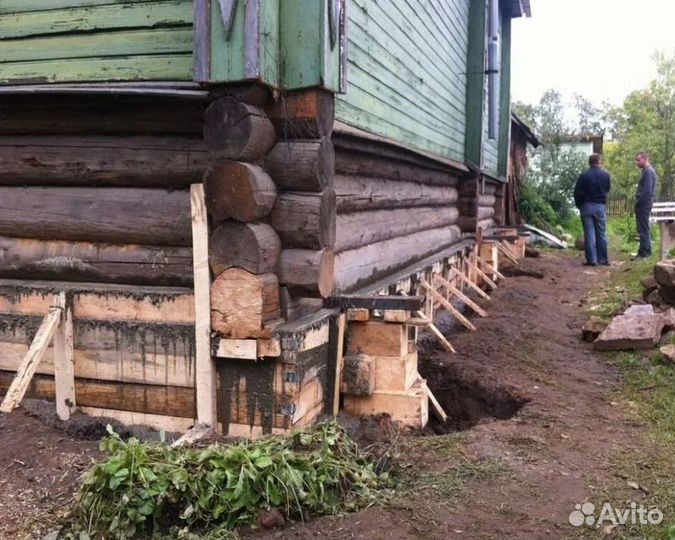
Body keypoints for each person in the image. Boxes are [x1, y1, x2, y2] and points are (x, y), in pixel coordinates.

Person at [573, 153, 611, 266]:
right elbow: (607, 189)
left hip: (586, 205)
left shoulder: (584, 175)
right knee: (601, 233)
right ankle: (603, 259)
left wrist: (579, 204)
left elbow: (577, 192)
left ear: (589, 162)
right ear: (599, 161)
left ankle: (591, 260)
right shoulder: (605, 174)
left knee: (589, 233)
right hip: (599, 206)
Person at [632, 151, 657, 260]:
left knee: (643, 229)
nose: (636, 162)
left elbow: (647, 190)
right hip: (644, 203)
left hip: (644, 204)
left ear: (645, 159)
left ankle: (644, 253)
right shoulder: (645, 171)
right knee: (642, 228)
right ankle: (643, 251)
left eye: (638, 160)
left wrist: (638, 202)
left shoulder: (648, 172)